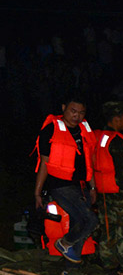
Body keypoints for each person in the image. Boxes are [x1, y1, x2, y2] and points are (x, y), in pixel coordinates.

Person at [34, 94, 98, 263]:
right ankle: (64, 243)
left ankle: (72, 262)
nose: (77, 116)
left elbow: (89, 160)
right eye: (73, 111)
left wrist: (92, 187)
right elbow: (44, 163)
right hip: (60, 185)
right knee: (90, 219)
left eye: (81, 112)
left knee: (80, 221)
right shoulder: (51, 130)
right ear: (64, 108)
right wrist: (37, 193)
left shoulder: (84, 129)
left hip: (81, 185)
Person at [93, 101, 123, 275]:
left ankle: (109, 268)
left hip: (103, 193)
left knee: (107, 230)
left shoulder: (99, 136)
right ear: (117, 119)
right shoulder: (118, 142)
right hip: (118, 195)